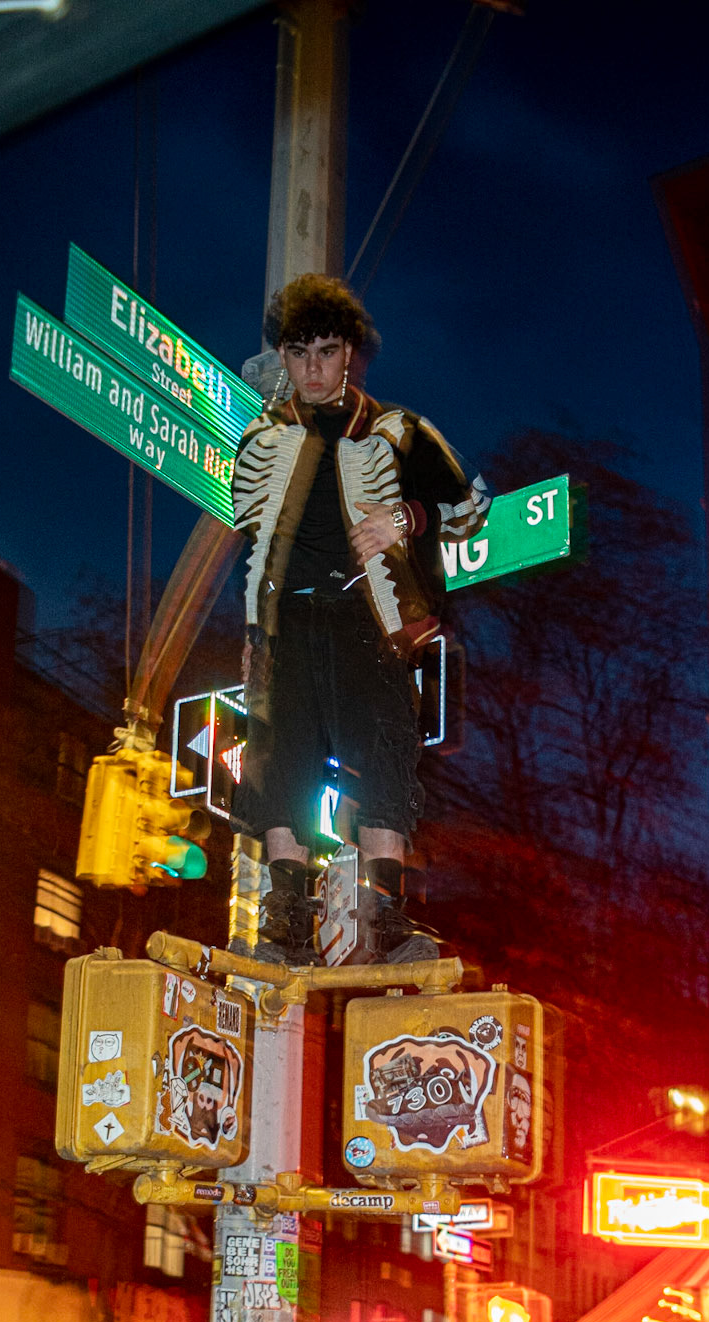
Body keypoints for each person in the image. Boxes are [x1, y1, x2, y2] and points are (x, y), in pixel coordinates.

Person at [232, 273, 491, 966]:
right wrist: (254, 630)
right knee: (280, 763)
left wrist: (404, 517)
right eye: (299, 354)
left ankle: (384, 921)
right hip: (286, 624)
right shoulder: (260, 438)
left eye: (326, 352)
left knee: (382, 759)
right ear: (284, 359)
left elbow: (471, 504)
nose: (313, 369)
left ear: (348, 353)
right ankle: (285, 924)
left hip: (369, 619)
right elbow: (251, 541)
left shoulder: (397, 430)